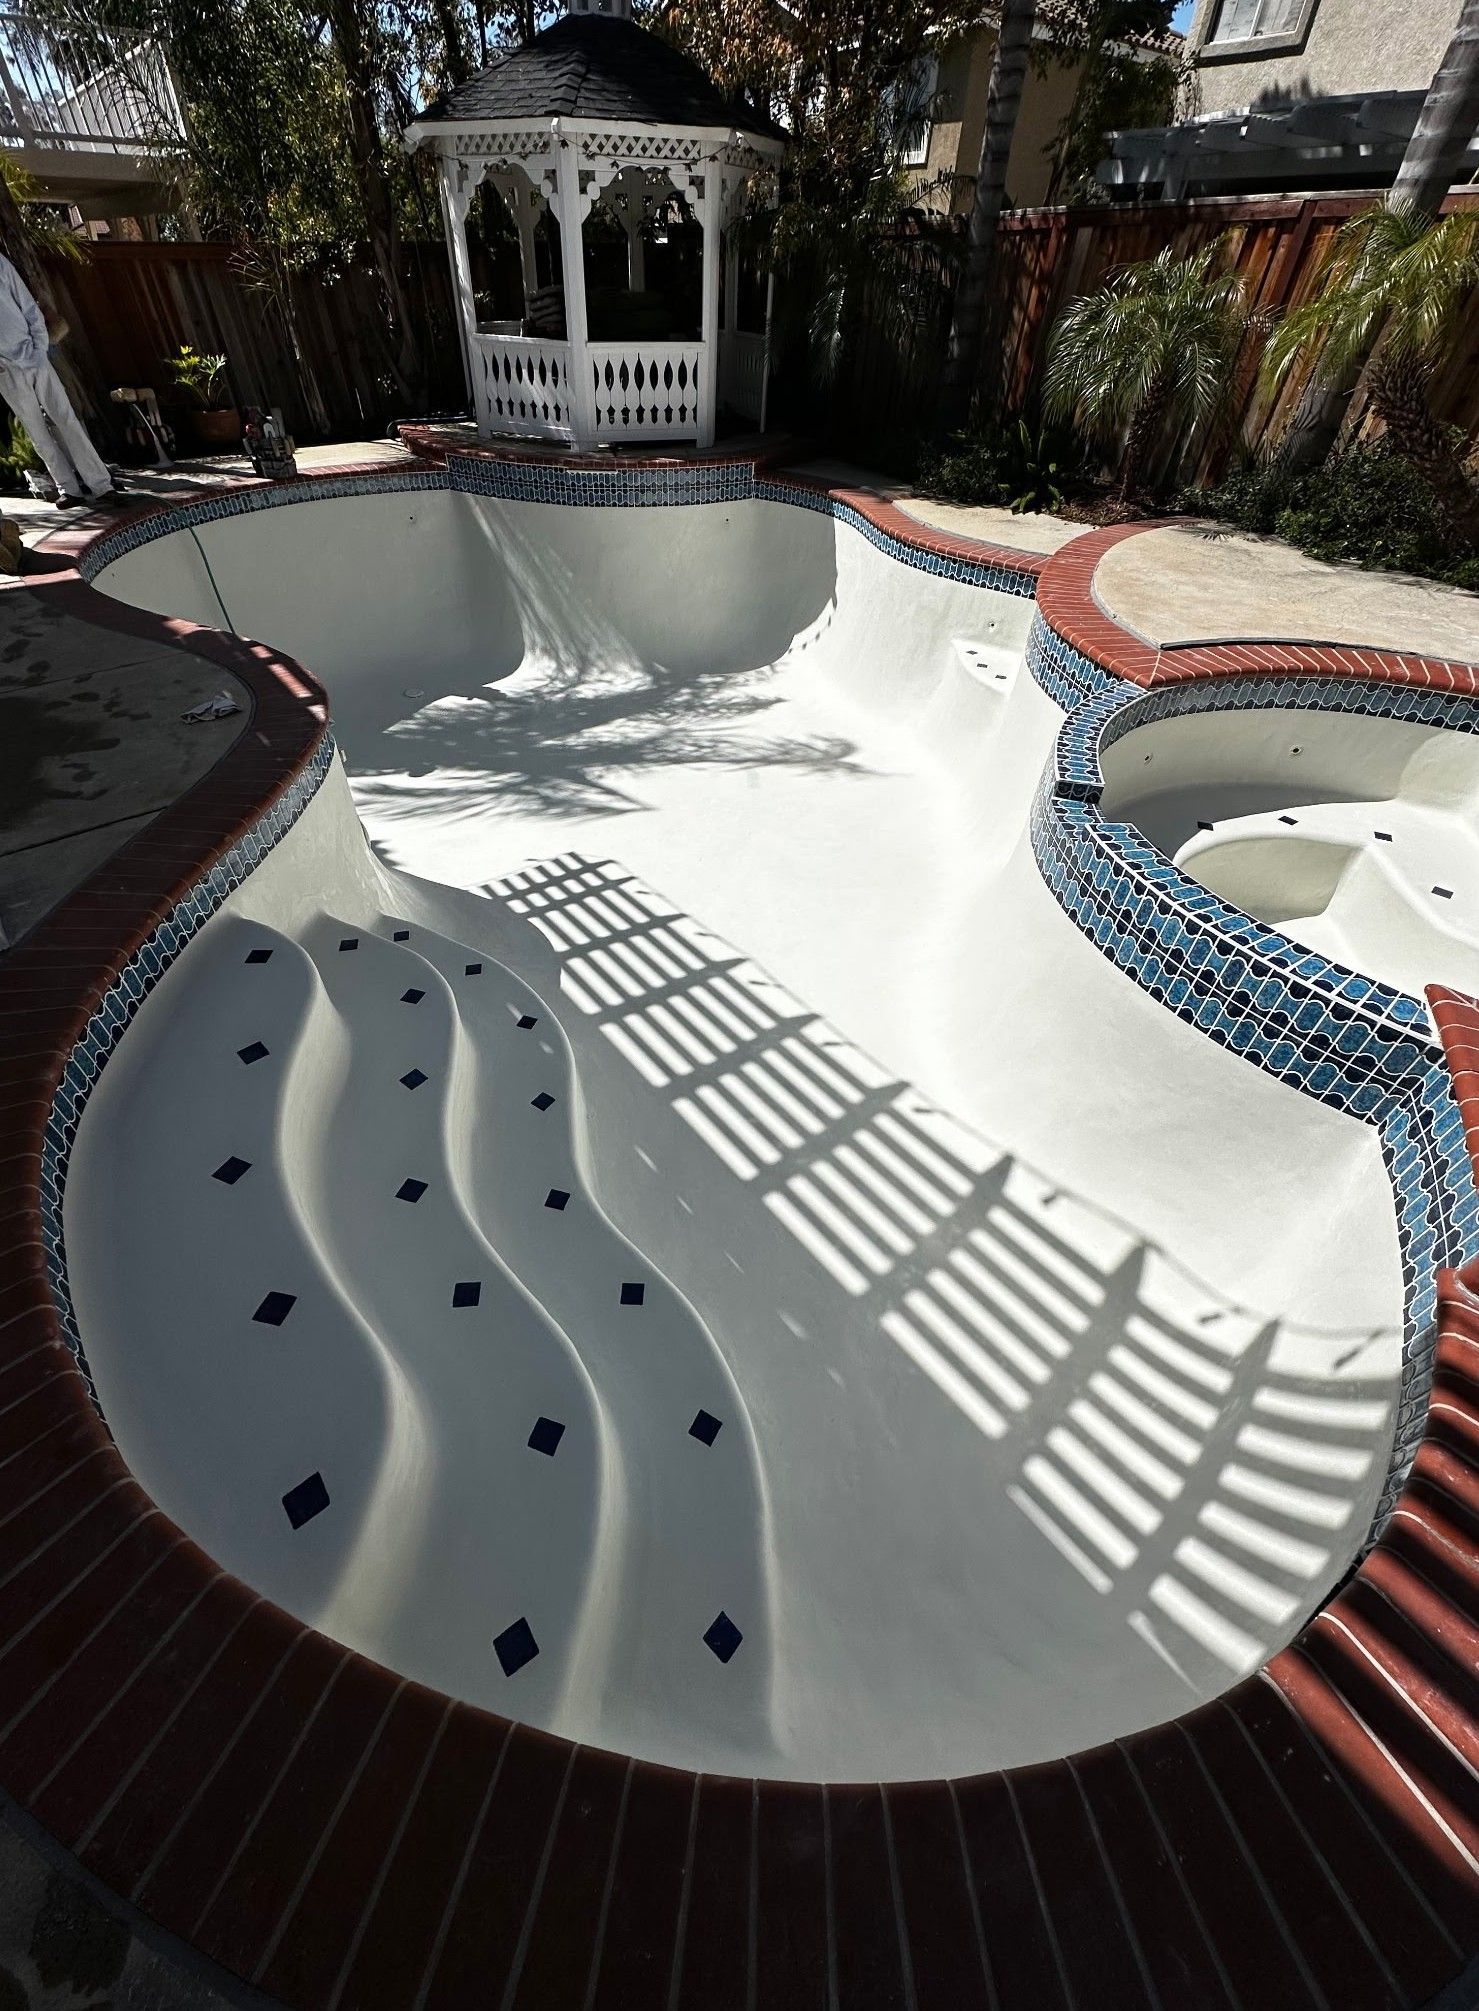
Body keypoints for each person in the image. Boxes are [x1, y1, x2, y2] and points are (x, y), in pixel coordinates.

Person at [0, 252, 120, 509]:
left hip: (34, 355)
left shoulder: (0, 263)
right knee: (36, 431)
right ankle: (68, 489)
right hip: (5, 371)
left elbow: (28, 305)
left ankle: (101, 485)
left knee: (65, 418)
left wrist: (39, 347)